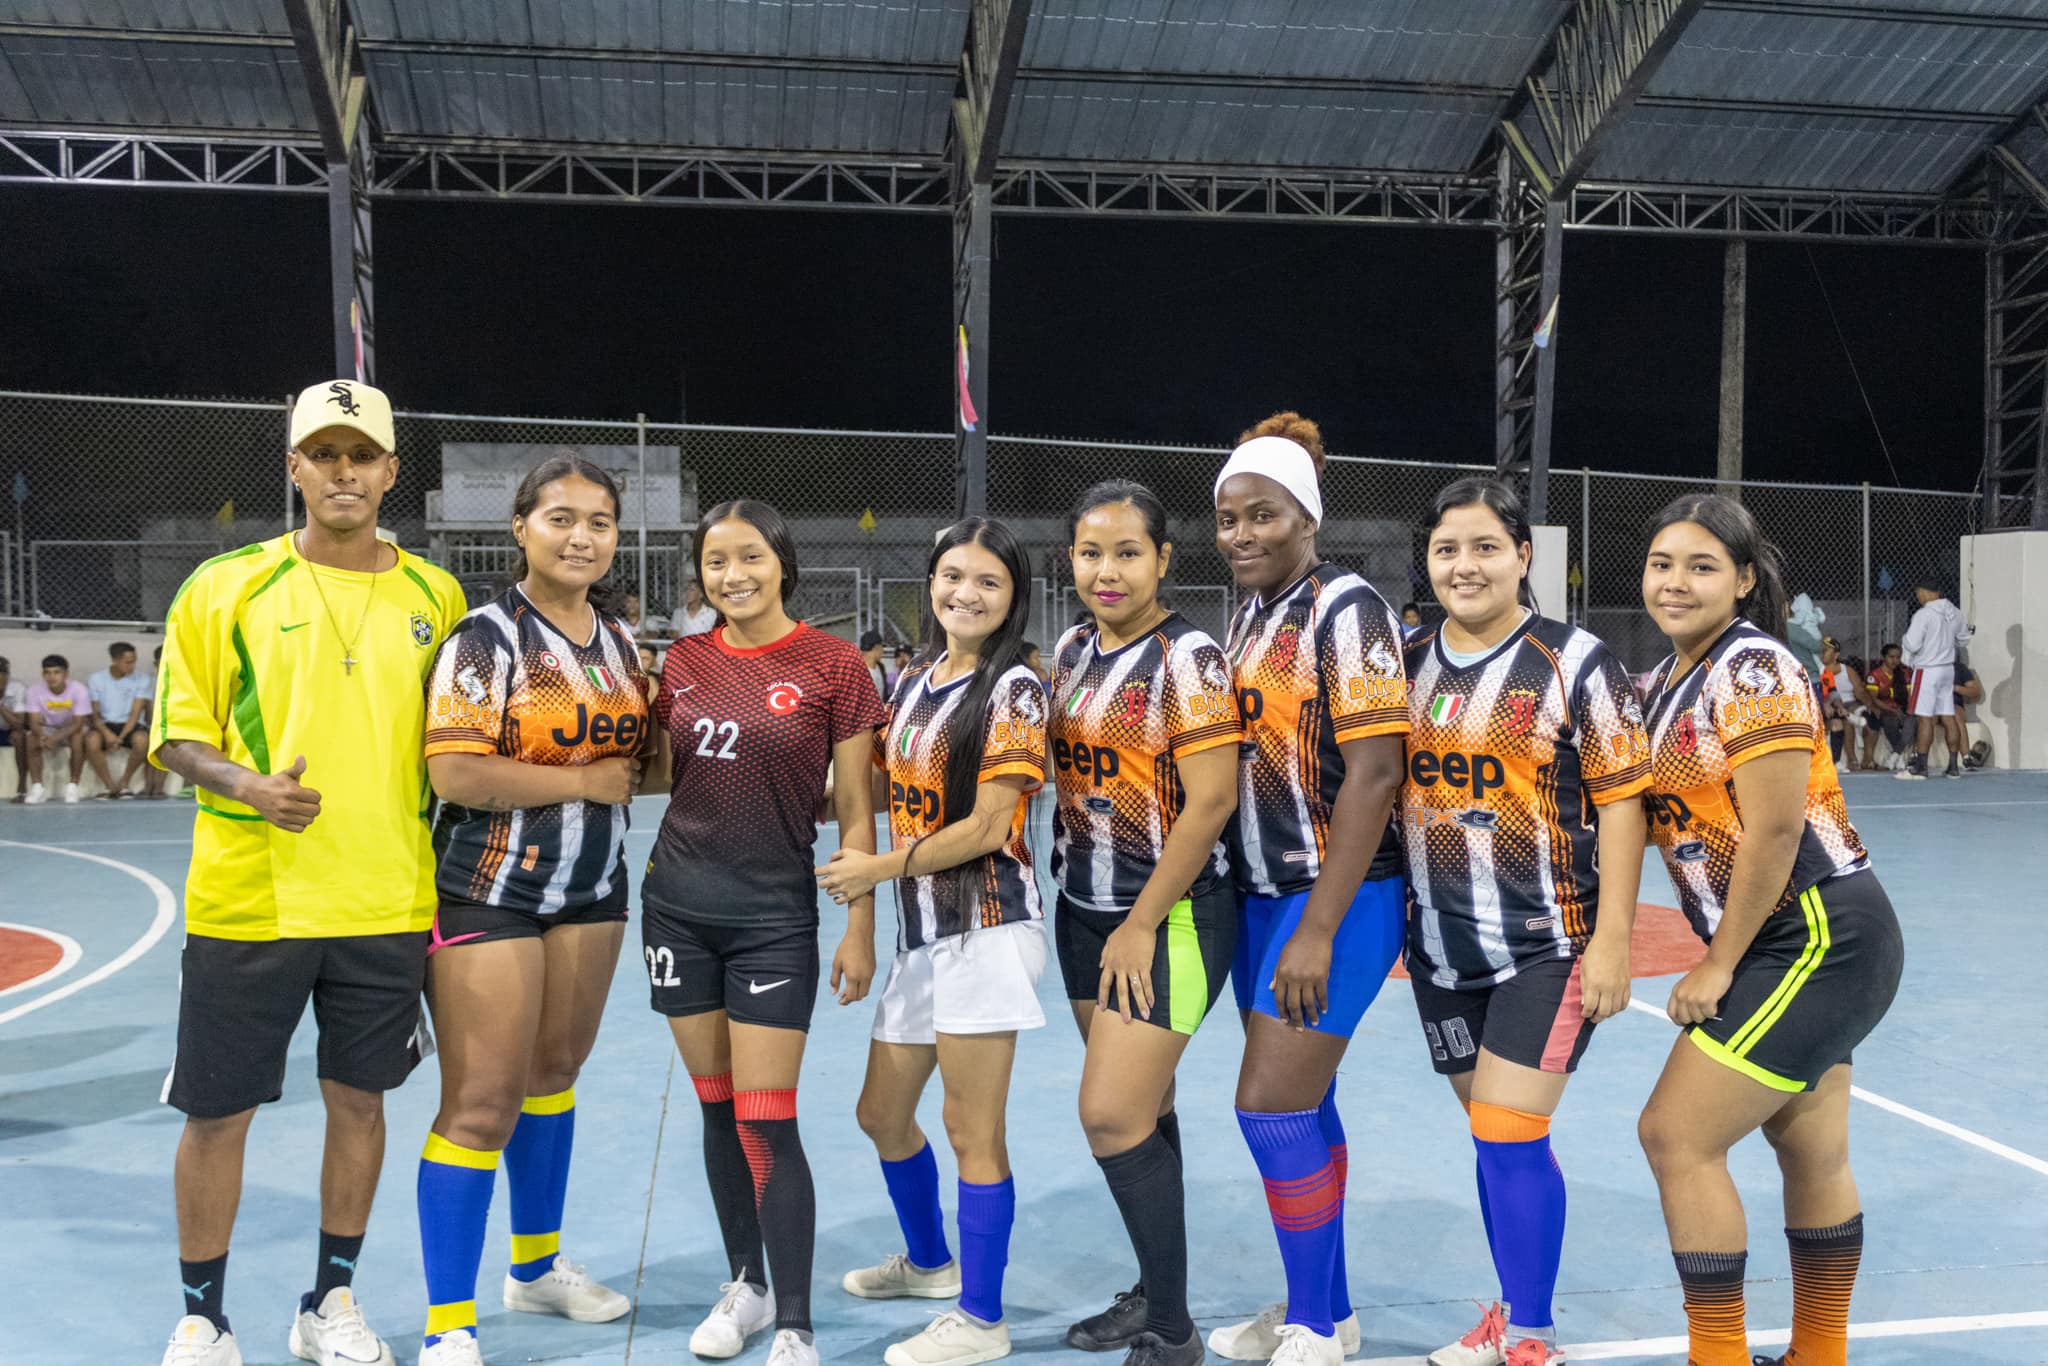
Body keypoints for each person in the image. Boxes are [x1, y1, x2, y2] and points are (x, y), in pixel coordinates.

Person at [149, 378, 466, 1366]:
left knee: (360, 1103)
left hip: (387, 895)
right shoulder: (224, 585)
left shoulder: (437, 596)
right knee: (217, 1113)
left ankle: (329, 1301)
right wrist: (248, 785)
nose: (343, 471)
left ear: (390, 471)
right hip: (251, 898)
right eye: (323, 454)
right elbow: (175, 735)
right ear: (293, 467)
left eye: (360, 454)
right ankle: (203, 1317)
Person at [1634, 494, 1903, 1366]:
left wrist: (1716, 965)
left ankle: (1716, 1357)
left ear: (1745, 580)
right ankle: (1821, 1355)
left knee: (1676, 1135)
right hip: (1807, 935)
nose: (1676, 582)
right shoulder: (1669, 680)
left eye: (1701, 566)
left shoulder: (1752, 668)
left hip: (1817, 931)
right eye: (1662, 564)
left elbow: (1777, 832)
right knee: (1808, 1146)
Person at [1398, 479, 1650, 1366]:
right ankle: (1511, 1312)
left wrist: (1613, 941)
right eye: (1446, 550)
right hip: (1439, 947)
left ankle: (1533, 1334)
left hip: (1548, 944)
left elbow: (1623, 804)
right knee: (1492, 1134)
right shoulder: (1406, 661)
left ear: (1523, 555)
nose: (1464, 566)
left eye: (1484, 547)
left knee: (1509, 1130)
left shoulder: (1577, 662)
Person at [411, 455, 650, 1366]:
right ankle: (448, 1323)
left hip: (592, 893)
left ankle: (536, 1267)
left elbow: (644, 763)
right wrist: (582, 781)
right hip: (491, 891)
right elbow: (455, 772)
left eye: (599, 522)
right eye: (561, 518)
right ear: (521, 528)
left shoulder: (621, 642)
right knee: (481, 1102)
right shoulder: (485, 638)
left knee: (553, 1072)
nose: (581, 536)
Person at [643, 499, 886, 1366]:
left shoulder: (833, 665)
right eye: (715, 561)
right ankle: (744, 1286)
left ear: (783, 562)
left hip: (773, 919)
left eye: (749, 557)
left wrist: (860, 926)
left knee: (766, 1118)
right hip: (677, 909)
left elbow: (854, 807)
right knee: (717, 1109)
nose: (733, 575)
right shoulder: (682, 661)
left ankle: (794, 1323)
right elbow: (660, 775)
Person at [1202, 415, 1409, 1366]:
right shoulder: (1251, 613)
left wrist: (1318, 927)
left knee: (1270, 1107)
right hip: (1260, 892)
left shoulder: (1347, 609)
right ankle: (1326, 1307)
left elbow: (1376, 772)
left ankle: (1316, 1329)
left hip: (1337, 896)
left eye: (1263, 515)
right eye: (1228, 518)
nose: (1241, 534)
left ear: (1307, 519)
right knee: (1305, 1101)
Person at [818, 517, 1048, 1366]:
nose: (967, 594)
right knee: (881, 1115)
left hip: (987, 927)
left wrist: (875, 871)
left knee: (969, 1129)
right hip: (924, 935)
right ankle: (928, 1264)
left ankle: (982, 1319)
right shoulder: (915, 679)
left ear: (1014, 597)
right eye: (954, 576)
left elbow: (989, 826)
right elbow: (874, 787)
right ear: (931, 583)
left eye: (989, 582)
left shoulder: (1014, 688)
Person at [1050, 480, 1240, 1366]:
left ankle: (1172, 1332)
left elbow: (1211, 803)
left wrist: (1141, 922)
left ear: (1163, 559)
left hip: (1170, 921)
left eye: (1128, 553)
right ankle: (1157, 1298)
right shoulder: (1072, 649)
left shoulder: (1189, 658)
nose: (1108, 571)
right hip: (1081, 913)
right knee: (1146, 1109)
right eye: (1092, 553)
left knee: (1109, 1115)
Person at [1897, 580, 1969, 780]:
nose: (1918, 597)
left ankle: (1921, 767)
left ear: (1924, 591)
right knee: (1948, 715)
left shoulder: (1924, 614)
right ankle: (1953, 767)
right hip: (1947, 669)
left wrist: (1906, 642)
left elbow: (1912, 644)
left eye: (1918, 593)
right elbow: (1964, 639)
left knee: (1925, 717)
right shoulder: (1955, 612)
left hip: (1927, 670)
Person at [86, 639, 154, 797]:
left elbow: (135, 714)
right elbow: (95, 714)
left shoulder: (142, 680)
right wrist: (107, 734)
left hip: (130, 725)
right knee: (91, 740)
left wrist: (120, 738)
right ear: (115, 660)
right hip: (105, 724)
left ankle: (124, 782)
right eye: (128, 662)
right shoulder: (96, 679)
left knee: (142, 741)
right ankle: (109, 785)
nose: (132, 666)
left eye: (134, 662)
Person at [21, 652, 90, 804]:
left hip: (70, 728)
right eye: (47, 673)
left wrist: (55, 738)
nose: (52, 677)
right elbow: (34, 722)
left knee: (78, 738)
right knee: (31, 739)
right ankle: (38, 787)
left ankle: (73, 785)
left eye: (56, 672)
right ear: (43, 674)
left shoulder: (79, 690)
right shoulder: (34, 690)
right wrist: (42, 736)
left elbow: (78, 723)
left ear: (66, 674)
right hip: (47, 728)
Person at [1857, 644, 1908, 771]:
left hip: (1900, 708)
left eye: (1898, 657)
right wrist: (1893, 710)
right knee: (1890, 721)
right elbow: (1874, 699)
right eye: (1891, 657)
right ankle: (1899, 755)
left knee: (1914, 721)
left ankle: (1897, 754)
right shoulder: (1875, 675)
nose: (1895, 660)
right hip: (1883, 709)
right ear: (1883, 657)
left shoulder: (1904, 674)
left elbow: (1910, 695)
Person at [0, 656, 27, 800]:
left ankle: (22, 786)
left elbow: (19, 724)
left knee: (19, 736)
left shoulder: (18, 688)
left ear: (7, 676)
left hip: (11, 730)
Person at [860, 629, 892, 702]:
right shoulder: (857, 669)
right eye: (882, 647)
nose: (882, 651)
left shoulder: (880, 667)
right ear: (876, 647)